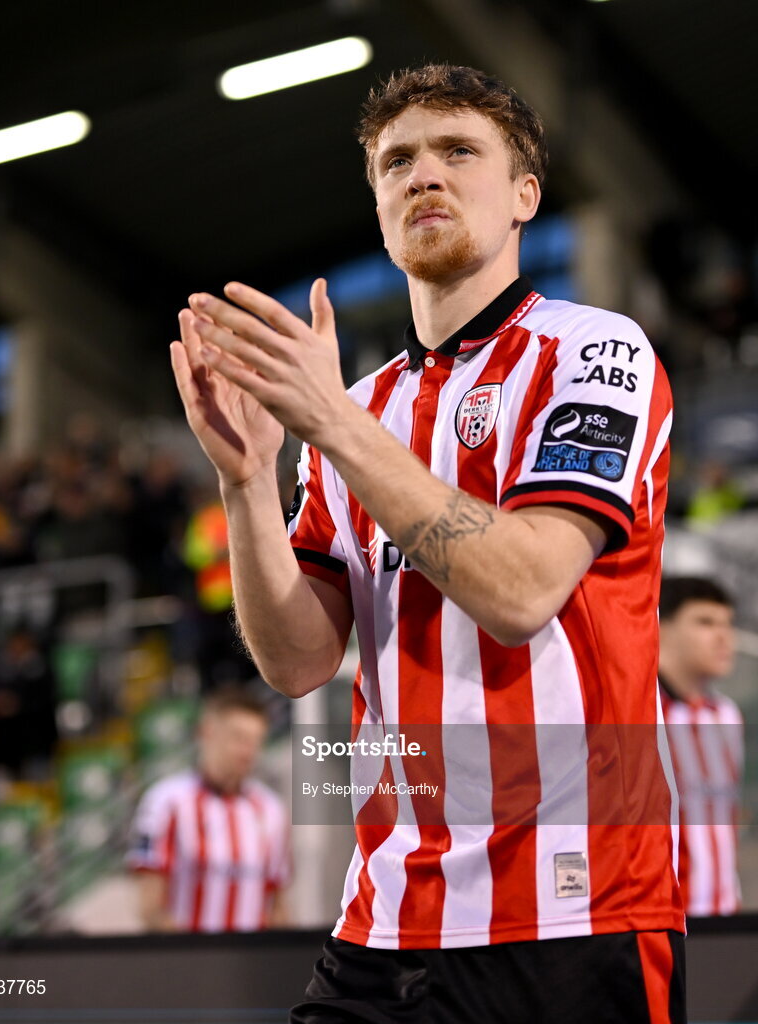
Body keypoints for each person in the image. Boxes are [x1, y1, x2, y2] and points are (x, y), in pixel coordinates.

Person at [170, 64, 684, 1023]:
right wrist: (246, 483)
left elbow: (524, 588)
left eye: (458, 151)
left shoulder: (595, 350)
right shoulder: (359, 410)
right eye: (396, 161)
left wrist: (331, 425)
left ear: (526, 195)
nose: (423, 176)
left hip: (574, 917)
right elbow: (296, 661)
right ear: (377, 206)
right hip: (384, 921)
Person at [127, 688, 290, 932]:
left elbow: (277, 904)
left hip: (253, 963)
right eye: (238, 738)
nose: (248, 752)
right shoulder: (166, 801)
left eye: (256, 741)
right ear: (206, 732)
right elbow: (150, 908)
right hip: (191, 960)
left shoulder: (271, 809)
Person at [659, 576, 743, 916]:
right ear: (661, 627)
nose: (724, 637)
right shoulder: (638, 713)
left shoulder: (726, 715)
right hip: (664, 924)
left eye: (728, 623)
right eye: (705, 622)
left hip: (723, 920)